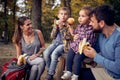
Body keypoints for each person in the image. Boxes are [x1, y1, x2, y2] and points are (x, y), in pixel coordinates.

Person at [83, 5, 120, 79]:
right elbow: (99, 51)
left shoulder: (118, 38)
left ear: (102, 23)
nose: (90, 24)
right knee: (80, 74)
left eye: (92, 22)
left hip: (116, 77)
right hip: (107, 71)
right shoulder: (101, 35)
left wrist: (95, 56)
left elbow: (118, 69)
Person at [61, 6, 96, 80]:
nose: (80, 18)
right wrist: (71, 29)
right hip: (76, 45)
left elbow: (93, 39)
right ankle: (68, 71)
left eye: (83, 16)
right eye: (79, 16)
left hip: (84, 48)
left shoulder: (92, 27)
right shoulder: (79, 26)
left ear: (90, 18)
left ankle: (76, 75)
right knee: (69, 55)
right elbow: (74, 34)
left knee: (77, 58)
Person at [43, 7, 74, 80]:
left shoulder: (69, 25)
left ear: (68, 16)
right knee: (46, 53)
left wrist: (61, 27)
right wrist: (56, 27)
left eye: (65, 14)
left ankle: (50, 75)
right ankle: (50, 70)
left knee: (54, 54)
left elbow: (67, 37)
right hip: (55, 43)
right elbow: (52, 36)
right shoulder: (56, 23)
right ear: (58, 15)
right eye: (61, 14)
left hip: (64, 45)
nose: (63, 16)